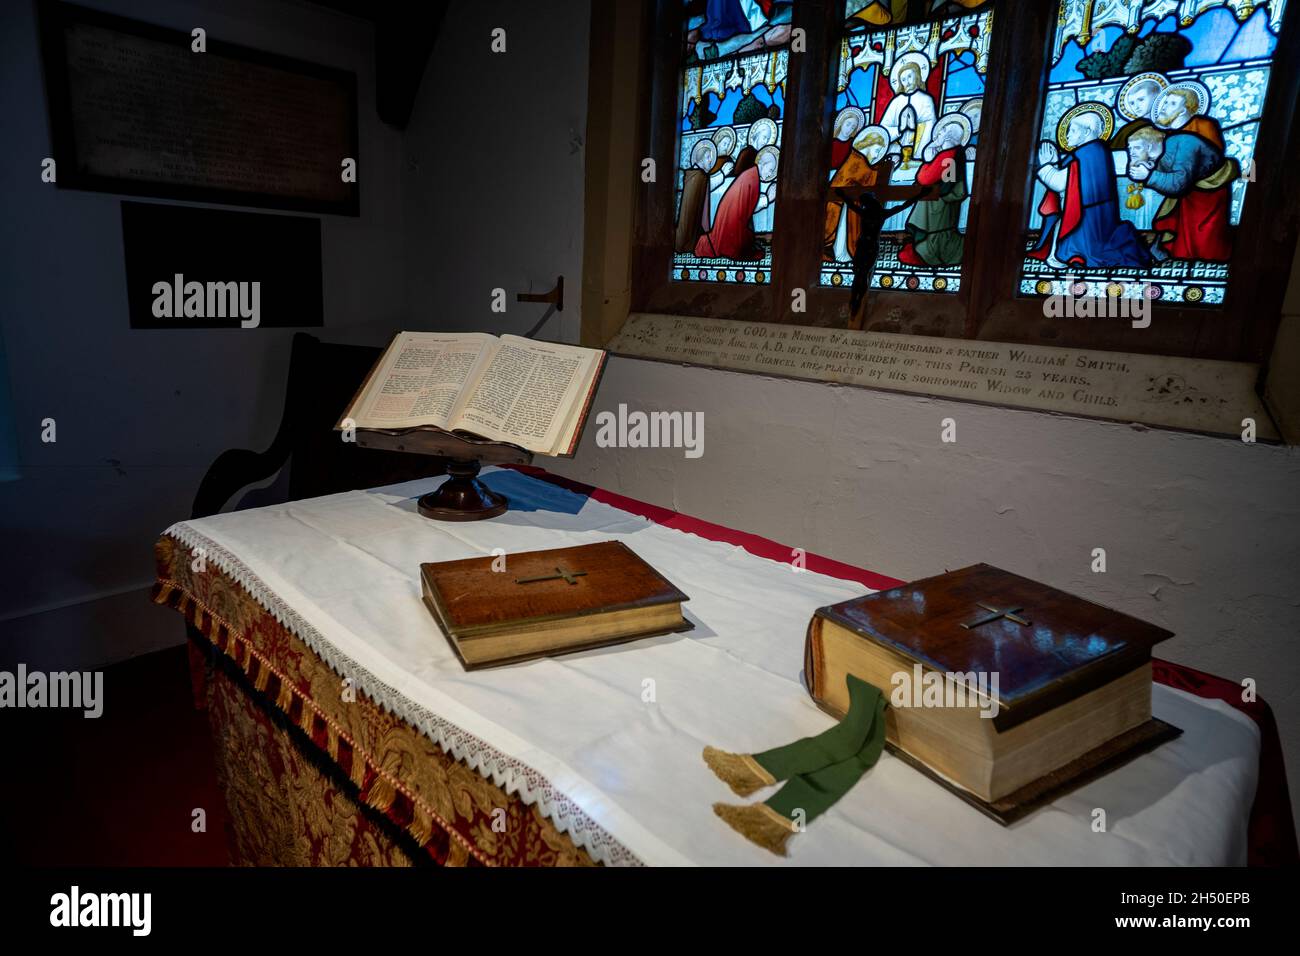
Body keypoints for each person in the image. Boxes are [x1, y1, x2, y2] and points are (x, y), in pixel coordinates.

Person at [1028, 109, 1150, 268]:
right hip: (1102, 212)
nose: (1068, 135)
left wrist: (1046, 166)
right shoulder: (1099, 151)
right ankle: (1055, 254)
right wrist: (1055, 164)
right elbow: (1073, 179)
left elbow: (1059, 183)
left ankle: (1057, 256)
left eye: (1072, 130)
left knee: (1066, 231)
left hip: (1084, 215)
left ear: (1086, 132)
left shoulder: (1083, 154)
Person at [1126, 124, 1236, 261]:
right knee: (1182, 238)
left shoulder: (1184, 143)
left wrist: (1149, 176)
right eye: (1130, 148)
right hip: (1190, 195)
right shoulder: (1161, 152)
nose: (1131, 152)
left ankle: (1206, 267)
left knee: (1206, 239)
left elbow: (1179, 183)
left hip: (1212, 191)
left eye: (1136, 147)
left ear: (1149, 147)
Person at [897, 117, 967, 267]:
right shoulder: (953, 154)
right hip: (943, 200)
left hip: (940, 202)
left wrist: (929, 155)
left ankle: (930, 253)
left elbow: (926, 178)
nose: (937, 135)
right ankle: (929, 249)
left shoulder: (948, 155)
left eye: (942, 131)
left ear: (948, 137)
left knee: (937, 232)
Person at [880, 61, 936, 162]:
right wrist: (899, 129)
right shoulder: (896, 102)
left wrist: (914, 126)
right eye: (903, 79)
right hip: (896, 150)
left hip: (919, 149)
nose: (907, 82)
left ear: (917, 76)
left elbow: (931, 125)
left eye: (910, 76)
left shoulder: (926, 99)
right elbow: (883, 129)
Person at [675, 140, 716, 253]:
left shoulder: (689, 173)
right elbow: (704, 212)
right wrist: (707, 230)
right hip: (693, 233)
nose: (710, 160)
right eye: (708, 157)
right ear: (701, 159)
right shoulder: (701, 177)